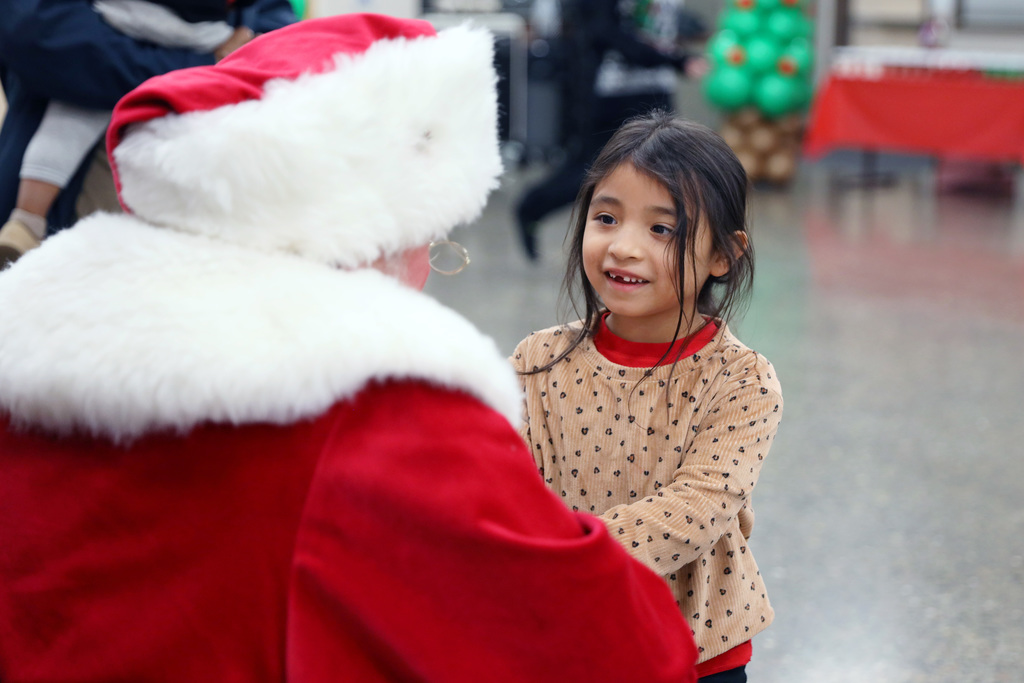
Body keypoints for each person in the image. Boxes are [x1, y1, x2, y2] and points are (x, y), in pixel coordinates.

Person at [0, 15, 699, 681]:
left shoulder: (34, 346)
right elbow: (619, 652)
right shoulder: (388, 422)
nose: (427, 269)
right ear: (372, 238)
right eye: (432, 241)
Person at [513, 111, 783, 682]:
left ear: (723, 256)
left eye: (662, 229)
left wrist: (562, 557)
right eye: (606, 217)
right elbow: (500, 485)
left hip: (694, 650)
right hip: (565, 638)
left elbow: (696, 509)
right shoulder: (537, 361)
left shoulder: (742, 381)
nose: (624, 247)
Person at [0, 0, 294, 266]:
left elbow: (278, 53)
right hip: (77, 199)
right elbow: (43, 38)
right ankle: (27, 222)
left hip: (202, 211)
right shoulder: (214, 51)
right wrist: (204, 66)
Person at [514, 0, 708, 260]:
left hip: (658, 90)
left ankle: (661, 249)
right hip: (617, 95)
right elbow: (604, 32)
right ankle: (532, 206)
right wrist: (676, 60)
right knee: (593, 173)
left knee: (664, 173)